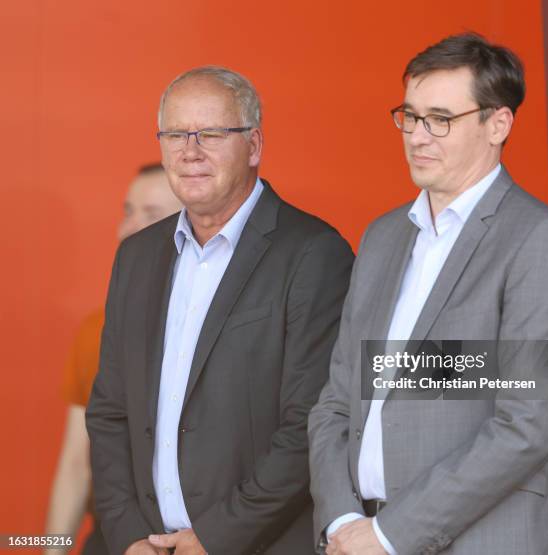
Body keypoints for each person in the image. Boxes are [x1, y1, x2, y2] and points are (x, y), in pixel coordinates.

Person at [308, 33, 548, 555]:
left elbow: (527, 425)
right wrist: (342, 520)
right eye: (410, 116)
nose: (418, 136)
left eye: (441, 118)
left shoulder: (542, 241)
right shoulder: (382, 236)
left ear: (498, 124)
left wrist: (390, 535)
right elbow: (335, 403)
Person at [85, 66, 354, 555]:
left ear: (253, 146)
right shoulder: (137, 257)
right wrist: (126, 535)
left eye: (210, 133)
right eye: (174, 134)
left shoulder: (313, 253)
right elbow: (109, 412)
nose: (190, 151)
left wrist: (216, 537)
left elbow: (310, 422)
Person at [45, 164, 183, 555]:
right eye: (127, 211)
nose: (128, 228)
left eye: (151, 214)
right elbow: (77, 464)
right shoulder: (97, 329)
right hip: (114, 539)